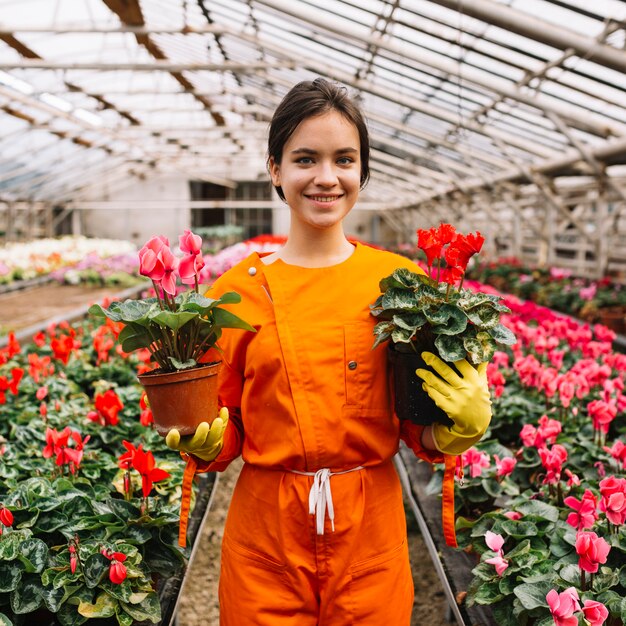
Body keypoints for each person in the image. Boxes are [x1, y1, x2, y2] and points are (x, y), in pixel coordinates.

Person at [165, 77, 492, 625]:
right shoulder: (233, 295)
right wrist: (206, 442)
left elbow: (417, 428)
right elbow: (227, 434)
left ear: (362, 171)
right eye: (304, 159)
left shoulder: (402, 286)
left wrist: (458, 427)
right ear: (275, 170)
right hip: (266, 531)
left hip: (370, 526)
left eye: (344, 159)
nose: (325, 177)